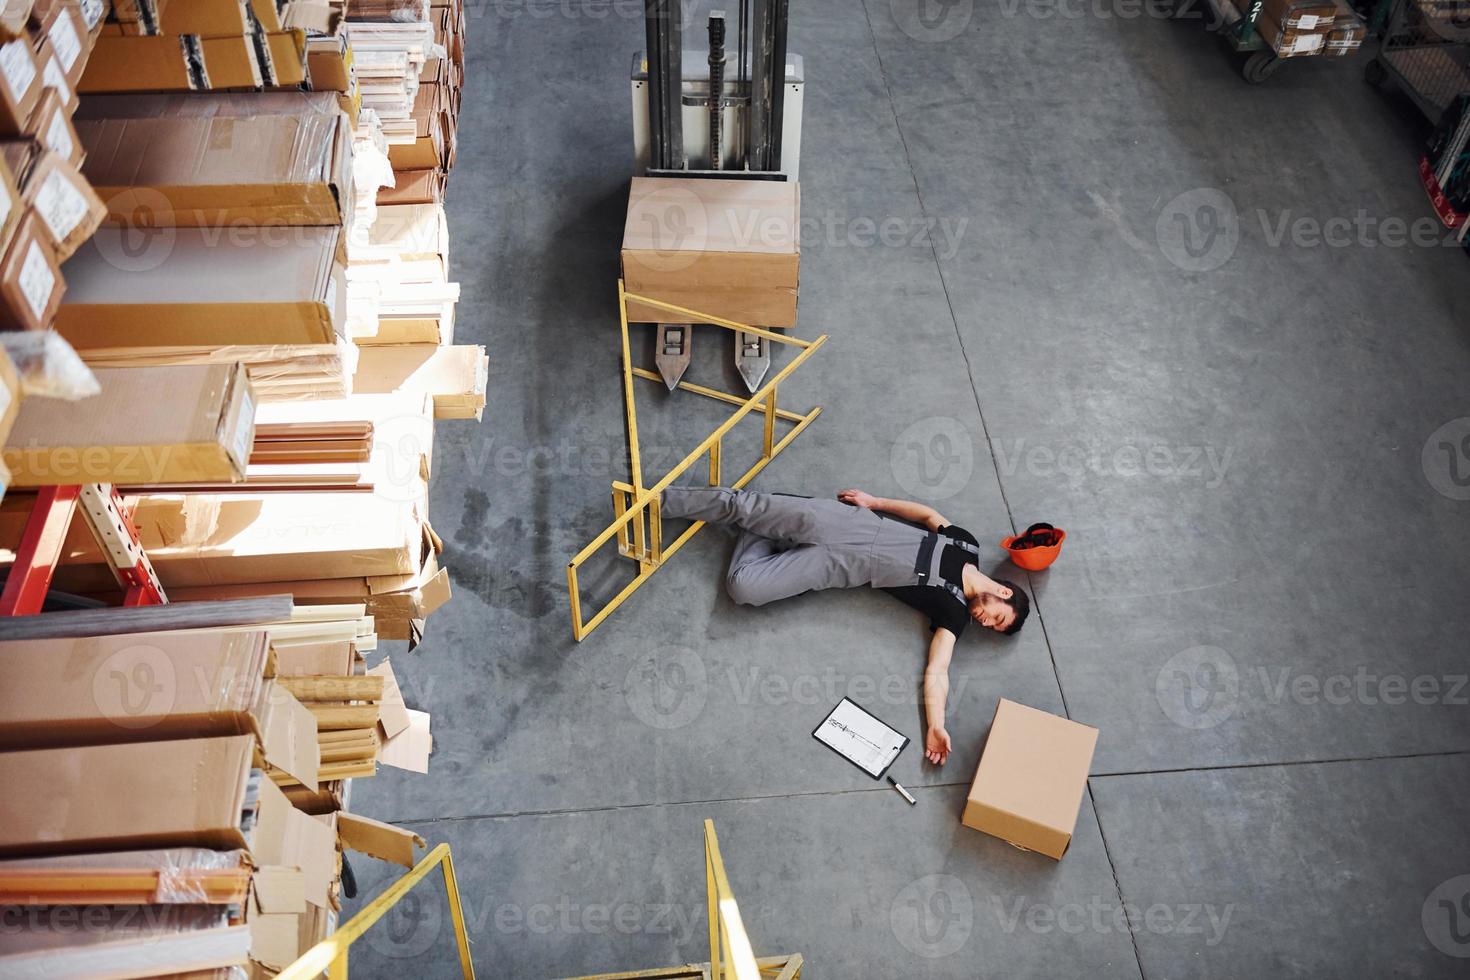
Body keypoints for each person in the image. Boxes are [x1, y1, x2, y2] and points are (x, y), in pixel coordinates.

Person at [660, 486, 1031, 766]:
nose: (985, 622)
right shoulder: (966, 546)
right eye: (996, 617)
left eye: (992, 629)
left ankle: (762, 530)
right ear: (1001, 591)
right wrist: (875, 503)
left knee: (743, 588)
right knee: (741, 506)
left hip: (842, 568)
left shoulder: (954, 614)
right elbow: (929, 515)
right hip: (849, 522)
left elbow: (938, 670)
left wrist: (936, 725)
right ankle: (660, 500)